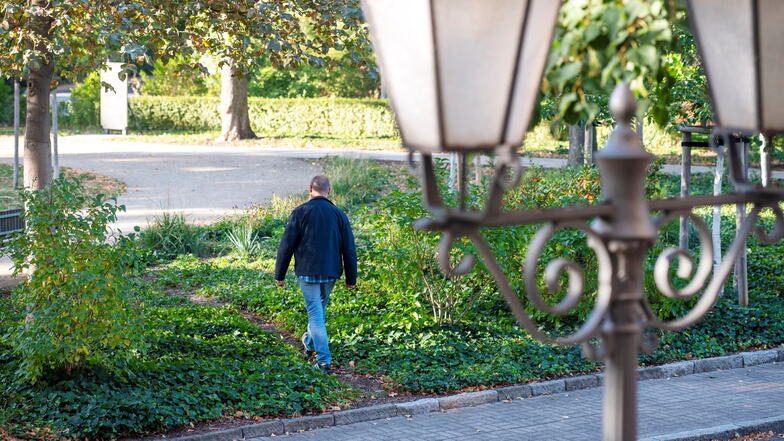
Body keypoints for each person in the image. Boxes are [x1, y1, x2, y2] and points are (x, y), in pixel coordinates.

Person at [274, 175, 357, 374]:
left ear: (310, 188)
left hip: (307, 272)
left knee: (316, 314)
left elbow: (286, 245)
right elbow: (349, 248)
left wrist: (280, 274)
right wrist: (350, 278)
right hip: (330, 273)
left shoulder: (300, 212)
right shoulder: (338, 214)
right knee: (318, 312)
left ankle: (324, 361)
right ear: (329, 191)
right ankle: (310, 343)